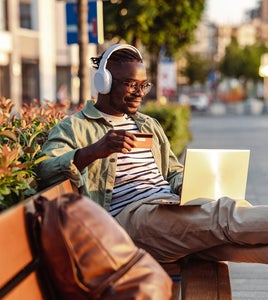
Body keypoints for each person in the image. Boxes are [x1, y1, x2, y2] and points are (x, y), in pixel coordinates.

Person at [37, 43, 268, 264]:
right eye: (130, 84)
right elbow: (46, 168)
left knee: (233, 247)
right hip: (129, 220)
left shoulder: (147, 124)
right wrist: (95, 150)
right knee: (223, 215)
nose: (140, 93)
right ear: (104, 83)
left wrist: (182, 184)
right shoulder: (75, 126)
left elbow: (172, 171)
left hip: (167, 208)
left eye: (143, 85)